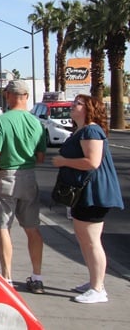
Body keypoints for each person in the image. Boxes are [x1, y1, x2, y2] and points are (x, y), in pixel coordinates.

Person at [52, 95, 124, 304]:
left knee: (92, 241)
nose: (73, 106)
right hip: (84, 193)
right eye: (74, 103)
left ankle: (98, 288)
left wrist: (64, 161)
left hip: (94, 193)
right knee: (84, 239)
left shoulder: (91, 130)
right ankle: (94, 280)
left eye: (78, 103)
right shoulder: (82, 131)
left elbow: (92, 162)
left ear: (89, 109)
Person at [0, 80, 46, 294]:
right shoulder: (37, 123)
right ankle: (37, 277)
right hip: (28, 177)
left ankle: (7, 277)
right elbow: (40, 157)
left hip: (6, 177)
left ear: (8, 95)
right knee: (32, 228)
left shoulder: (1, 121)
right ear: (26, 96)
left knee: (3, 227)